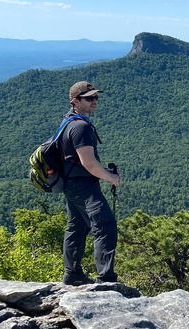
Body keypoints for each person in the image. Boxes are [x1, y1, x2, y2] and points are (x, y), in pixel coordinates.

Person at [60, 81, 121, 285]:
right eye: (89, 98)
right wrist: (110, 177)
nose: (95, 101)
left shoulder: (68, 121)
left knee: (76, 227)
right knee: (105, 225)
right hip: (83, 185)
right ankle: (106, 279)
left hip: (71, 184)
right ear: (75, 101)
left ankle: (72, 274)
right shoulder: (81, 126)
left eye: (96, 97)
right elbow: (89, 162)